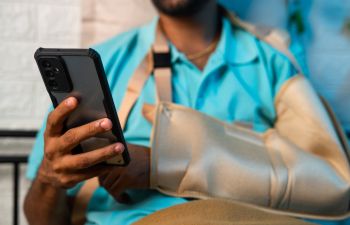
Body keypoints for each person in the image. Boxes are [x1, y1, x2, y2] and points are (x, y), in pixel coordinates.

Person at [24, 0, 350, 225]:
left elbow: (329, 184)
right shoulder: (106, 63)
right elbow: (40, 219)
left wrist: (161, 164)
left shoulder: (274, 60)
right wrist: (49, 179)